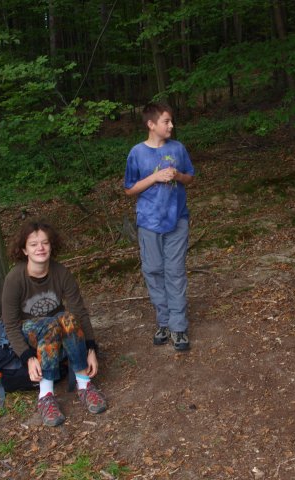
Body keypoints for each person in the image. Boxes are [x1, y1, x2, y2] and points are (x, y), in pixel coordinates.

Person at [2, 221, 107, 427]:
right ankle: (45, 396)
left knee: (67, 318)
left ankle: (84, 385)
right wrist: (28, 357)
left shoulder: (60, 272)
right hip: (30, 333)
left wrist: (91, 349)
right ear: (24, 250)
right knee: (51, 324)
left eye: (45, 243)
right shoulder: (15, 278)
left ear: (51, 246)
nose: (40, 248)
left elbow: (79, 312)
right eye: (33, 244)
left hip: (58, 330)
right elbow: (11, 325)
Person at [123, 101, 195, 351]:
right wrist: (154, 177)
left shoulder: (178, 148)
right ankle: (163, 322)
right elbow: (129, 189)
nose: (171, 125)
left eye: (171, 120)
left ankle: (178, 326)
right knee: (153, 270)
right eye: (166, 121)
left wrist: (177, 175)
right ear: (151, 124)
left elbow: (190, 177)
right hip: (148, 223)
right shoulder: (137, 153)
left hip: (177, 219)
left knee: (175, 272)